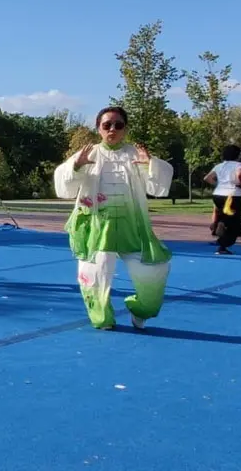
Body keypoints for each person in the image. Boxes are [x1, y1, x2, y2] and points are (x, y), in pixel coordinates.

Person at [53, 106, 173, 330]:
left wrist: (150, 165)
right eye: (107, 125)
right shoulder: (89, 154)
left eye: (118, 125)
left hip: (133, 227)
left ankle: (140, 309)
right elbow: (64, 186)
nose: (112, 129)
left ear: (125, 128)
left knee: (154, 271)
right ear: (98, 128)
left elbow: (158, 187)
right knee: (94, 275)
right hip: (97, 227)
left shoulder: (136, 155)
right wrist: (76, 166)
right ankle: (103, 318)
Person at [204, 144, 241, 255]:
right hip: (232, 195)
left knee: (224, 217)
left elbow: (207, 178)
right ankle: (222, 246)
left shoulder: (219, 166)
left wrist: (219, 184)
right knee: (236, 222)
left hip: (218, 195)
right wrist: (240, 184)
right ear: (237, 155)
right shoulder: (239, 165)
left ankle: (219, 233)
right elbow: (240, 175)